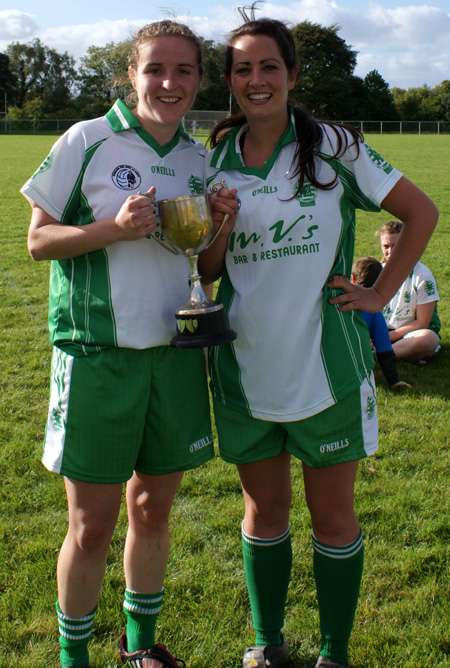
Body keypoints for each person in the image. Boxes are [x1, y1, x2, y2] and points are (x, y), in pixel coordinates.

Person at [199, 6, 438, 668]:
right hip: (244, 368)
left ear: (292, 74)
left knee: (333, 519)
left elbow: (420, 211)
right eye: (242, 69)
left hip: (326, 369)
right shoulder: (212, 160)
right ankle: (266, 644)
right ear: (230, 81)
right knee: (264, 515)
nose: (256, 80)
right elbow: (208, 270)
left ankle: (334, 652)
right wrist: (217, 225)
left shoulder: (336, 146)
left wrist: (382, 293)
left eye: (268, 66)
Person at [21, 20, 238, 668]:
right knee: (90, 528)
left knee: (152, 511)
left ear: (199, 79)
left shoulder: (199, 159)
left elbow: (203, 270)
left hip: (173, 356)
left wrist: (219, 224)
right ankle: (72, 657)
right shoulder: (87, 140)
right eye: (156, 70)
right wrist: (111, 229)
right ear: (131, 74)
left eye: (184, 71)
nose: (169, 83)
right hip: (97, 357)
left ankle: (140, 648)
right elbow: (38, 240)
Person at [377, 220, 441, 364]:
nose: (390, 251)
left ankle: (377, 356)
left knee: (428, 339)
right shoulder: (376, 272)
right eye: (386, 246)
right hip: (381, 332)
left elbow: (422, 323)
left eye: (396, 245)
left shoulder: (423, 276)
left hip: (410, 334)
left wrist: (387, 338)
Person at [351, 256, 412, 389]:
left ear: (352, 279)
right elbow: (384, 348)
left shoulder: (334, 302)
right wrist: (394, 380)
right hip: (357, 369)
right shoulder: (373, 311)